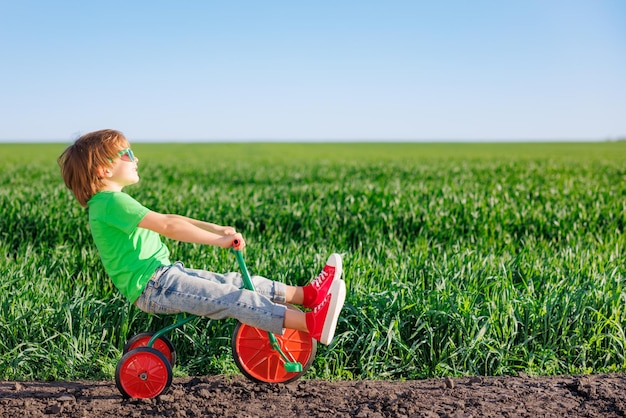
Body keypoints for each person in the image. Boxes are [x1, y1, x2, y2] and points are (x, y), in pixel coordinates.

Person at [58, 129, 346, 345]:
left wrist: (216, 229)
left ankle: (306, 295)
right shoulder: (110, 203)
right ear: (104, 169)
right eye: (127, 154)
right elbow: (168, 226)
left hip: (164, 276)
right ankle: (311, 323)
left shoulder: (111, 203)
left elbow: (171, 219)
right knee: (232, 297)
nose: (135, 159)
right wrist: (218, 241)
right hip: (154, 286)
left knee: (233, 281)